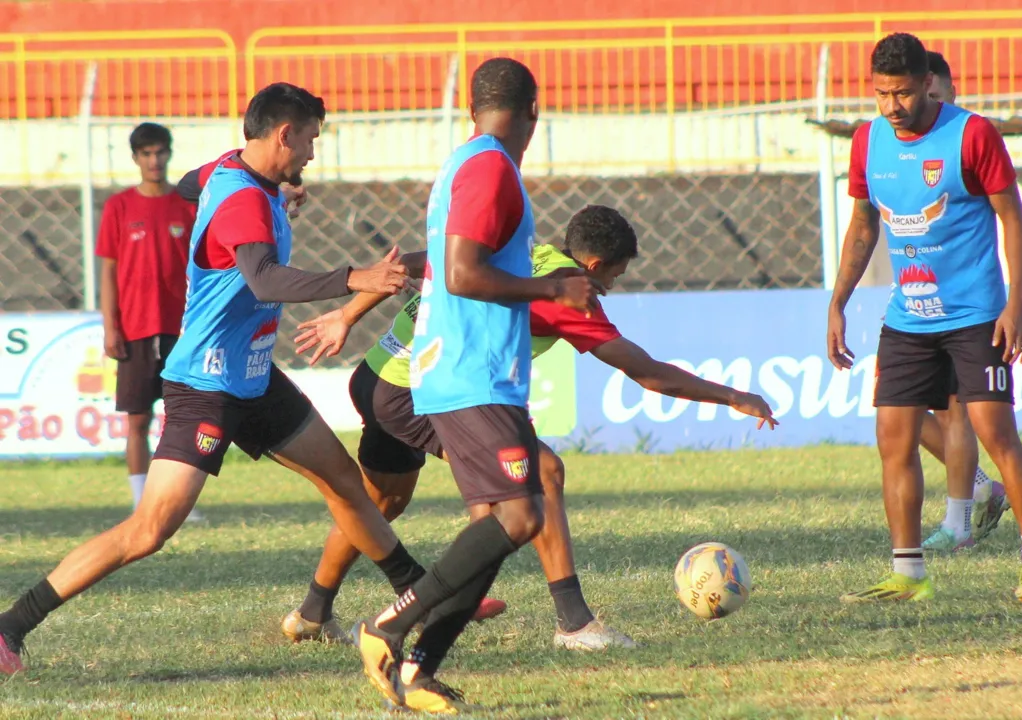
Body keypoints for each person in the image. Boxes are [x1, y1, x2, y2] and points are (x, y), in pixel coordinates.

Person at [0, 82, 431, 677]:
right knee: (148, 530)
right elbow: (266, 281)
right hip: (206, 385)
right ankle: (10, 626)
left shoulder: (231, 171)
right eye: (309, 139)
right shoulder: (244, 199)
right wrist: (355, 276)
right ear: (284, 134)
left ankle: (424, 595)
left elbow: (186, 187)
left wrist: (272, 206)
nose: (311, 153)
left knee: (344, 482)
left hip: (253, 376)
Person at [284, 206, 778, 693]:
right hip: (415, 392)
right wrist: (733, 395)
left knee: (382, 502)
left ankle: (312, 612)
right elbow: (646, 372)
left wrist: (346, 316)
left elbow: (412, 263)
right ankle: (574, 622)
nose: (607, 291)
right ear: (592, 267)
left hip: (377, 375)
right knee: (542, 475)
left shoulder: (521, 253)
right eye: (611, 278)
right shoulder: (565, 296)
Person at [352, 57, 604, 711]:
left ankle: (418, 668)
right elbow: (461, 274)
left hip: (474, 372)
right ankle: (388, 624)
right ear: (534, 112)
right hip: (469, 373)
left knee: (501, 522)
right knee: (521, 515)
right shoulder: (490, 166)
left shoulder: (467, 161)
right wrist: (552, 286)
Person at [826, 33, 1022, 603]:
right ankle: (908, 572)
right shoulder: (866, 142)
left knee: (996, 434)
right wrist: (837, 302)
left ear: (927, 82)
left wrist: (1017, 303)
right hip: (908, 316)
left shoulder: (971, 134)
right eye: (882, 94)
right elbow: (863, 227)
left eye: (903, 93)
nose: (892, 107)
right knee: (893, 440)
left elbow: (1013, 218)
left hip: (976, 315)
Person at [913, 50, 1010, 553]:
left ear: (947, 92)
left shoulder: (966, 141)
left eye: (933, 96)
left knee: (964, 416)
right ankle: (978, 491)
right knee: (901, 413)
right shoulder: (899, 147)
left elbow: (1006, 215)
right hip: (913, 305)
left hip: (967, 308)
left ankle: (966, 517)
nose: (921, 105)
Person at [95, 122, 204, 522]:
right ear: (136, 158)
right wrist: (111, 325)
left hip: (181, 328)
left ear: (169, 154)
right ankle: (142, 502)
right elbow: (107, 271)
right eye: (146, 154)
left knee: (182, 418)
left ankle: (176, 501)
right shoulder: (119, 207)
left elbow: (202, 265)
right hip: (136, 327)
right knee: (138, 418)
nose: (154, 160)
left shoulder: (185, 205)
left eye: (160, 152)